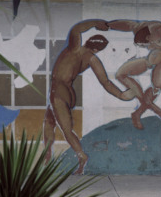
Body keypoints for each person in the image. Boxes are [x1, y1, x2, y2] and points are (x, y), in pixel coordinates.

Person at [43, 19, 131, 175]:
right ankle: (47, 156)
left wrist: (96, 22)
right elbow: (106, 82)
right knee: (49, 122)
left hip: (60, 91)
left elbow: (76, 29)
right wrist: (121, 95)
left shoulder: (75, 49)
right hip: (66, 92)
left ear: (89, 41)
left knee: (66, 129)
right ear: (98, 49)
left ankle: (81, 156)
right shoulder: (92, 59)